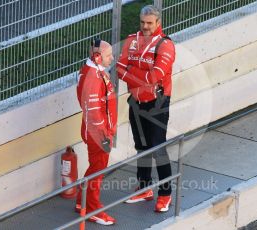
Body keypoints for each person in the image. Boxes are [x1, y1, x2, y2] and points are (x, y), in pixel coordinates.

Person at [116, 5, 176, 212]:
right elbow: (118, 68)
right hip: (136, 101)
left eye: (150, 23)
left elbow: (155, 77)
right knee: (141, 146)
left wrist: (131, 70)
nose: (145, 26)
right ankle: (144, 188)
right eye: (142, 22)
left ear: (158, 23)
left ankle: (165, 194)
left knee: (157, 148)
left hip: (157, 102)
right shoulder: (132, 40)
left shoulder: (166, 45)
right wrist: (140, 73)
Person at [75, 39, 117, 225]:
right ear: (97, 56)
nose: (112, 58)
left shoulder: (93, 71)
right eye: (109, 55)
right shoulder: (92, 77)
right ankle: (92, 209)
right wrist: (105, 138)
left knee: (94, 168)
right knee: (97, 171)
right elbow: (95, 115)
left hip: (97, 132)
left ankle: (81, 201)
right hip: (98, 135)